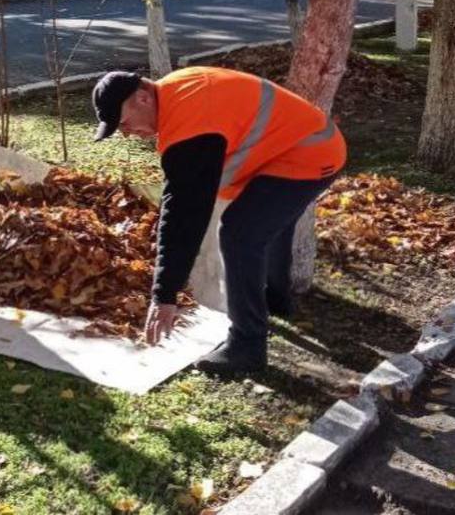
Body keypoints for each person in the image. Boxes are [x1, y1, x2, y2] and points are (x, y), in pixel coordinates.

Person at [91, 65, 346, 374]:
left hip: (306, 154)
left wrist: (164, 294)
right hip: (303, 144)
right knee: (267, 223)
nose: (128, 133)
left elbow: (183, 215)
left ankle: (247, 346)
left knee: (240, 234)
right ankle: (276, 299)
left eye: (125, 123)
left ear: (142, 97)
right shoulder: (176, 91)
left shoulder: (190, 124)